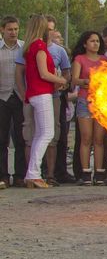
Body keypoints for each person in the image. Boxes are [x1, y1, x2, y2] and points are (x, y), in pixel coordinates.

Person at [20, 15, 68, 188]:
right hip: (41, 93)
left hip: (36, 93)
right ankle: (33, 174)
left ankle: (31, 174)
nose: (51, 31)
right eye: (48, 29)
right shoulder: (39, 46)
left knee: (40, 134)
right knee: (47, 133)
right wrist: (61, 80)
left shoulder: (31, 46)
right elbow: (43, 74)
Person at [71, 31, 107, 185]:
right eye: (92, 41)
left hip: (101, 102)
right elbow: (74, 80)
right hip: (84, 101)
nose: (96, 44)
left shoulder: (104, 60)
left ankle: (99, 173)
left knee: (99, 139)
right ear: (85, 44)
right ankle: (86, 172)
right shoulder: (79, 59)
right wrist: (88, 81)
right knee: (86, 138)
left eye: (97, 41)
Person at [0, 16, 26, 188]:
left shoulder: (24, 48)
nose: (13, 33)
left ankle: (19, 175)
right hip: (1, 97)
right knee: (1, 139)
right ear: (2, 30)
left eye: (16, 29)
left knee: (21, 138)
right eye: (10, 29)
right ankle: (2, 176)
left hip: (20, 97)